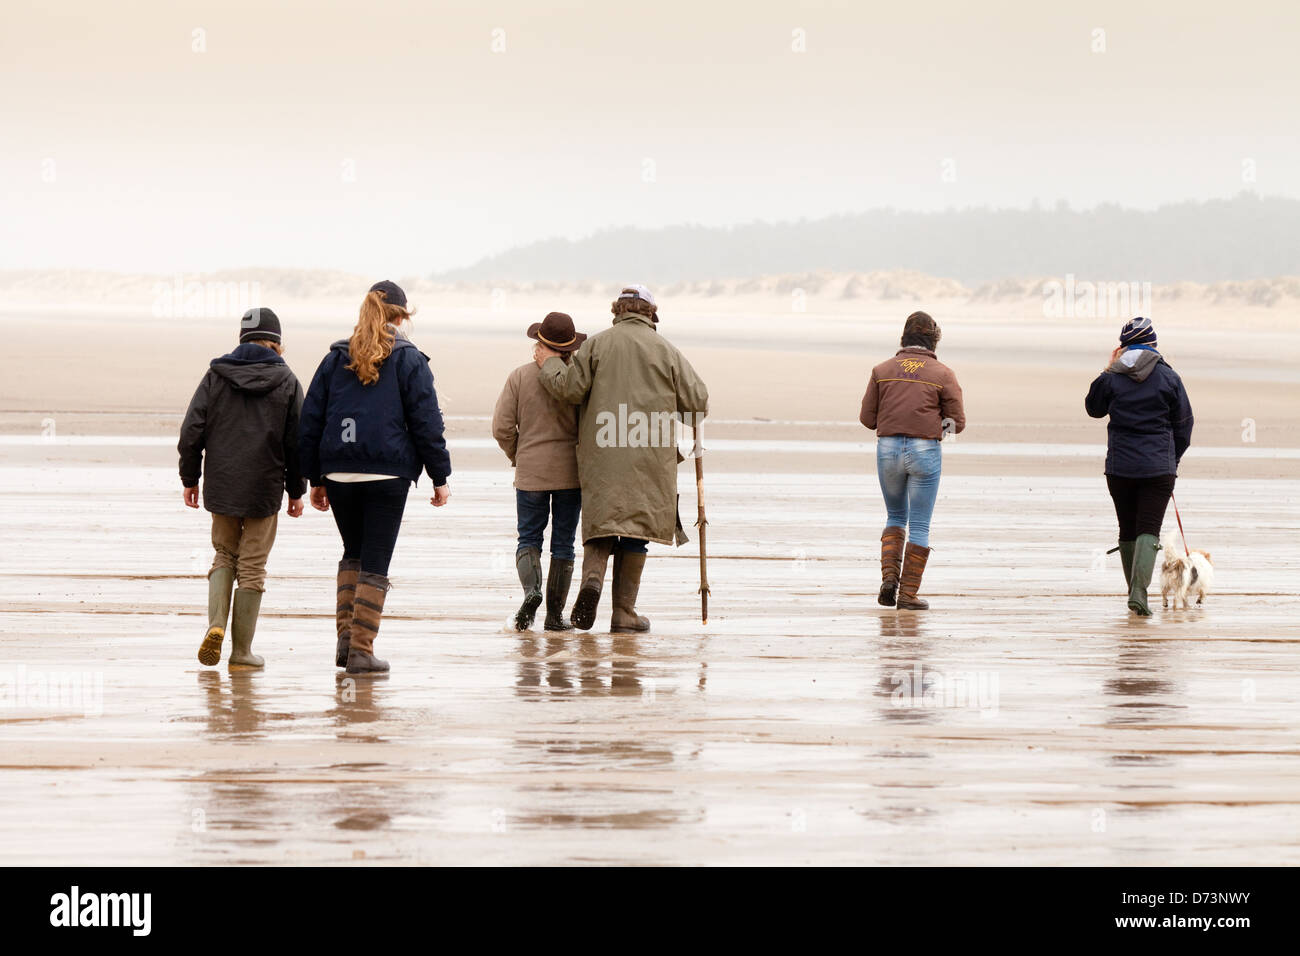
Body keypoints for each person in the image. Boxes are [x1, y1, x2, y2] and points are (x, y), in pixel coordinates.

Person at [534, 285, 709, 632]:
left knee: (602, 524)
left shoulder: (597, 345)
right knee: (636, 530)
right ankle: (624, 611)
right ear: (650, 314)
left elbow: (569, 389)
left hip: (603, 450)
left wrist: (550, 362)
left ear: (618, 312)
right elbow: (698, 403)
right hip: (649, 458)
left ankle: (592, 581)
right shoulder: (667, 350)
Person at [299, 280, 452, 674]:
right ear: (401, 317)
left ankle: (346, 642)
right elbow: (426, 422)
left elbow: (311, 420)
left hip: (338, 470)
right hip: (386, 473)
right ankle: (361, 651)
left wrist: (315, 477)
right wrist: (440, 476)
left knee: (353, 551)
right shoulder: (409, 359)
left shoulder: (335, 358)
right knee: (376, 562)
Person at [179, 307, 306, 670]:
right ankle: (241, 653)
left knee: (223, 554)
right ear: (276, 342)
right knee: (252, 566)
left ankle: (216, 623)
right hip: (264, 488)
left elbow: (192, 432)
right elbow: (297, 442)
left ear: (242, 338)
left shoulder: (216, 375)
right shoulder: (287, 380)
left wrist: (190, 478)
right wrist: (296, 490)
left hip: (222, 483)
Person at [1085, 317, 1194, 616]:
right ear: (1153, 345)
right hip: (1158, 468)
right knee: (1149, 530)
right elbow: (1184, 424)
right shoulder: (1169, 377)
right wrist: (1173, 458)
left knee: (1128, 529)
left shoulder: (1111, 378)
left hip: (1120, 467)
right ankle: (1138, 592)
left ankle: (1135, 593)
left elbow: (1094, 409)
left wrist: (1107, 368)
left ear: (1122, 348)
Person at [859, 311, 966, 610]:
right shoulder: (943, 374)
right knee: (919, 524)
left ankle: (889, 580)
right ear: (933, 341)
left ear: (903, 338)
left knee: (895, 516)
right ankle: (907, 595)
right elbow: (956, 422)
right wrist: (940, 435)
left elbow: (867, 419)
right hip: (925, 450)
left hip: (888, 448)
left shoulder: (882, 370)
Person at [492, 312, 586, 631]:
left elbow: (502, 428)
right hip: (571, 475)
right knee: (563, 544)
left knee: (528, 537)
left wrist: (519, 454)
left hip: (531, 471)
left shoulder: (519, 377)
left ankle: (531, 592)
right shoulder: (579, 381)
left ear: (540, 343)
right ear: (570, 348)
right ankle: (555, 617)